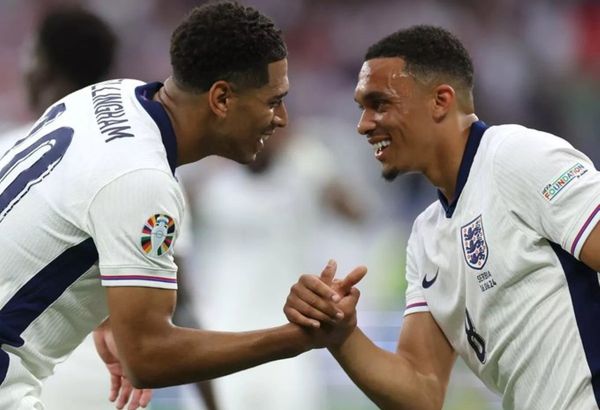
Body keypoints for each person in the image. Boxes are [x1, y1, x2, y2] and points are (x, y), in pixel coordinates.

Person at [0, 2, 366, 409]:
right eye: (272, 101)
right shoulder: (144, 178)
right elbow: (148, 358)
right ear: (221, 98)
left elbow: (60, 213)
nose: (281, 119)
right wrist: (297, 338)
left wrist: (107, 310)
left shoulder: (111, 95)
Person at [284, 25, 600, 410]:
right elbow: (420, 390)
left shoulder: (518, 157)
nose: (363, 124)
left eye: (379, 103)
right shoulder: (425, 237)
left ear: (440, 101)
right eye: (362, 108)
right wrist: (342, 334)